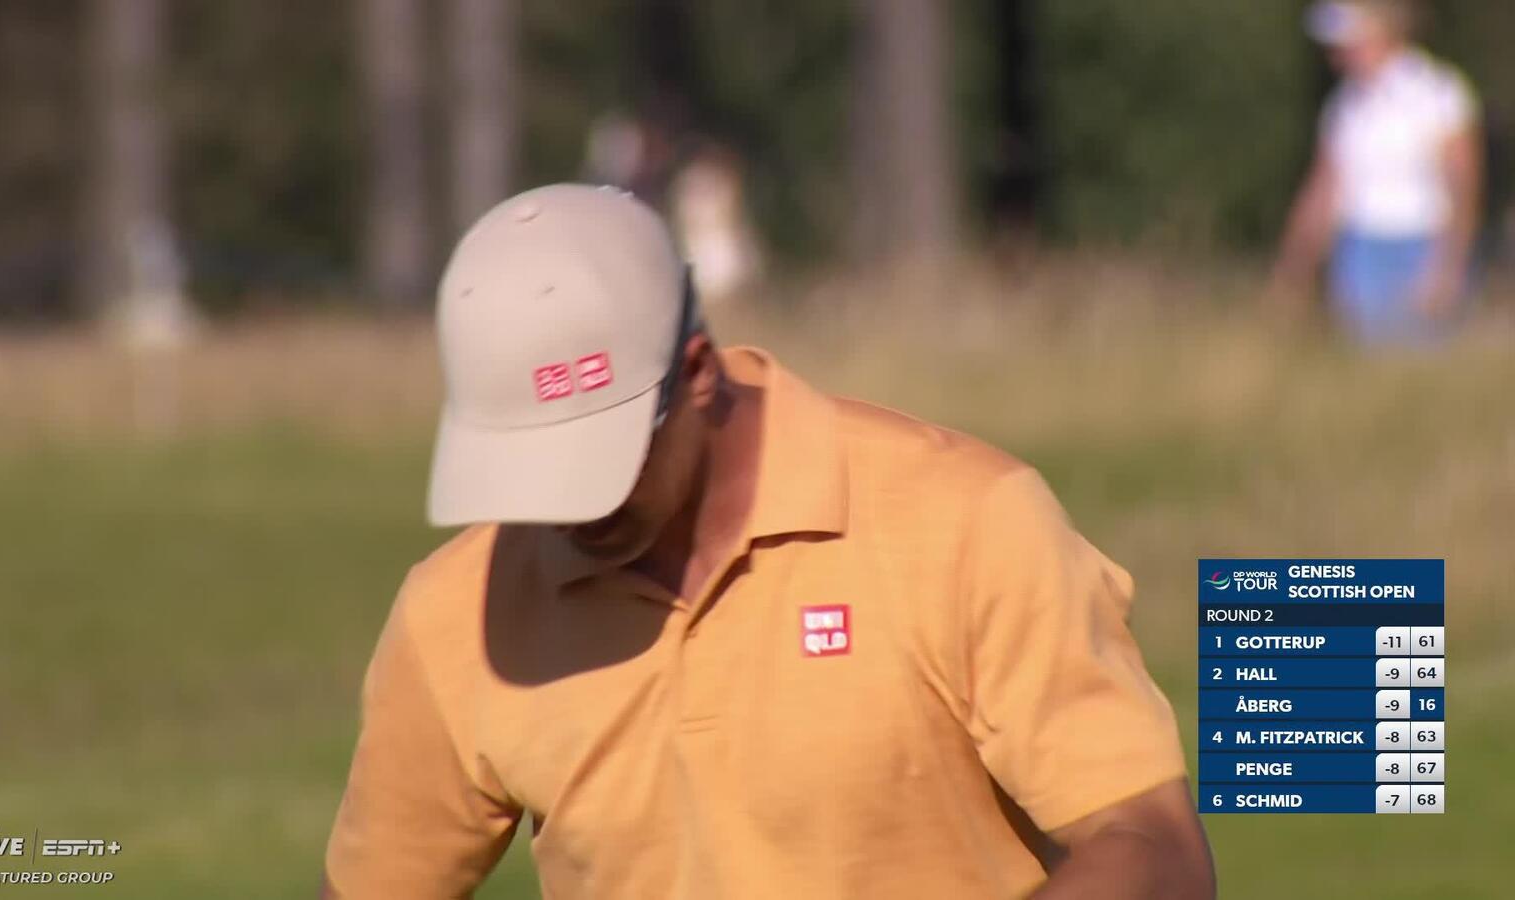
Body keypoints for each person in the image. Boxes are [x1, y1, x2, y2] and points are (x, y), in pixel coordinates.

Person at [322, 184, 1214, 899]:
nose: (564, 509)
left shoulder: (966, 522)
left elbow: (1153, 848)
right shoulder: (454, 615)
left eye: (597, 458)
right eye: (529, 466)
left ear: (699, 375)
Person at [1270, 0, 1483, 344]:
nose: (1337, 53)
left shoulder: (1439, 93)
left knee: (1424, 357)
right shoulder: (1343, 105)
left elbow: (1463, 186)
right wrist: (1294, 269)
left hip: (1423, 242)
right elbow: (1324, 189)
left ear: (1382, 32)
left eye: (1347, 41)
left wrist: (1448, 265)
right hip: (1360, 247)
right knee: (1369, 358)